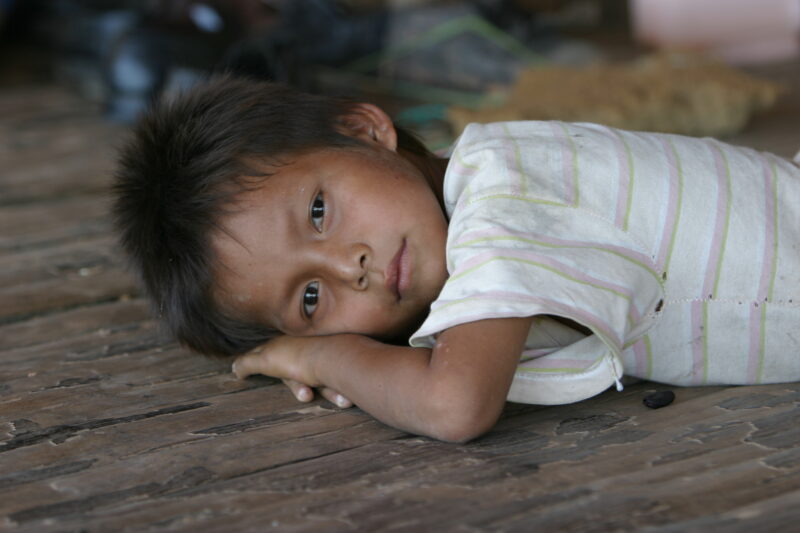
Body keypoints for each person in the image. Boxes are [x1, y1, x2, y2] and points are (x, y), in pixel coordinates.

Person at [113, 76, 800, 443]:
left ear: (364, 131)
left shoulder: (498, 199)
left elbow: (455, 404)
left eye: (320, 211)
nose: (351, 266)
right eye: (311, 299)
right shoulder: (480, 217)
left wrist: (321, 357)